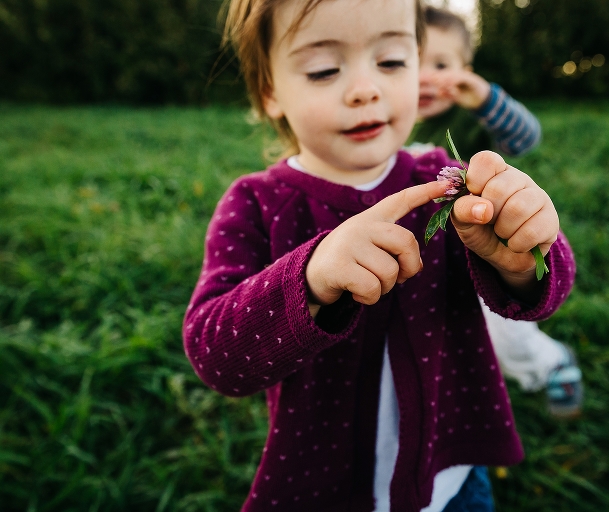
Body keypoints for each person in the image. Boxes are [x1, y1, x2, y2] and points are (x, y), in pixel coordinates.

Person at [183, 0, 575, 511]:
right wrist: (312, 277)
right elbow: (215, 356)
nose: (366, 88)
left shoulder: (448, 181)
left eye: (391, 61)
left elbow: (549, 290)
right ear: (270, 92)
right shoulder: (256, 203)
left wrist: (524, 255)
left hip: (451, 477)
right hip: (324, 486)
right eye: (324, 69)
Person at [409, 5, 582, 419]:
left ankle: (551, 363)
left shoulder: (470, 118)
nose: (425, 76)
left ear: (466, 70)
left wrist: (484, 97)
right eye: (409, 61)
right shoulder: (387, 122)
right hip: (426, 252)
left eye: (441, 64)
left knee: (505, 331)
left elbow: (526, 137)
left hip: (486, 246)